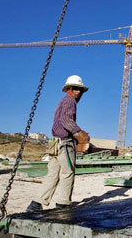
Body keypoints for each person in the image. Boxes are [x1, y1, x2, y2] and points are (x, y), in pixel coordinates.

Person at [26, 75, 90, 212]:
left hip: (55, 143)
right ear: (70, 89)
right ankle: (63, 203)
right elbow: (66, 120)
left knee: (53, 174)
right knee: (68, 172)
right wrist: (79, 133)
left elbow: (61, 120)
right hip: (65, 143)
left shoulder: (63, 101)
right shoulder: (69, 101)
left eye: (80, 90)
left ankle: (37, 203)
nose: (79, 92)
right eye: (76, 89)